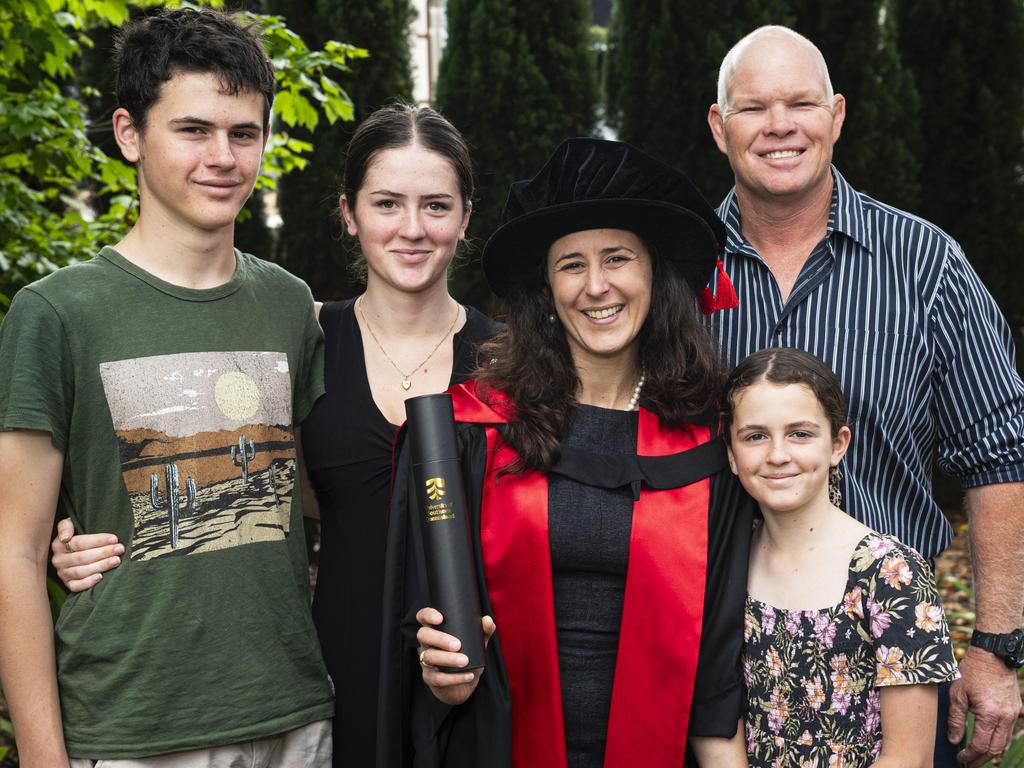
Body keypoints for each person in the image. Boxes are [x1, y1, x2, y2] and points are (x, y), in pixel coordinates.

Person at [48, 102, 500, 767]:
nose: (411, 229)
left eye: (436, 205)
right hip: (336, 676)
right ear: (349, 214)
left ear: (465, 218)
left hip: (481, 664)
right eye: (386, 204)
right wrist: (78, 529)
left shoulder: (511, 362)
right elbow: (254, 474)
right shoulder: (305, 336)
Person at [0, 8, 333, 767]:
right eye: (193, 130)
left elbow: (317, 491)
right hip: (132, 731)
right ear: (127, 134)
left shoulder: (288, 303)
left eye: (243, 133)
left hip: (296, 718)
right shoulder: (57, 313)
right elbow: (12, 556)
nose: (223, 157)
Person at [378, 137, 755, 767]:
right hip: (499, 746)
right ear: (547, 289)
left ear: (654, 274)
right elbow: (413, 620)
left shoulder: (710, 438)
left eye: (618, 258)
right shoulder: (474, 428)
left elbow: (722, 644)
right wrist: (437, 671)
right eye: (571, 264)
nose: (596, 285)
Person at [706, 25, 1024, 767]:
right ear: (720, 127)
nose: (780, 125)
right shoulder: (677, 275)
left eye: (801, 103)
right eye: (754, 108)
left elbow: (1000, 453)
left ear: (838, 115)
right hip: (725, 661)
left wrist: (998, 647)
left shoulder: (925, 266)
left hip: (896, 671)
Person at [723, 347, 958, 766]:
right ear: (731, 452)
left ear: (838, 444)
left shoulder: (890, 573)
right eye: (755, 436)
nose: (778, 455)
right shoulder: (727, 562)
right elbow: (715, 710)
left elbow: (911, 756)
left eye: (800, 434)